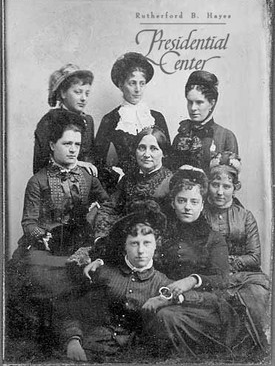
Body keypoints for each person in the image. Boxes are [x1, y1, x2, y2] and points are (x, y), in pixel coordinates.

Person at [84, 166, 241, 360]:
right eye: (181, 200)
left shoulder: (213, 238)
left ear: (202, 205)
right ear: (173, 203)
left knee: (165, 317)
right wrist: (100, 260)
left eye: (194, 202)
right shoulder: (162, 229)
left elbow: (222, 280)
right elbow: (129, 244)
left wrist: (191, 280)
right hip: (158, 292)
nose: (187, 207)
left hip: (202, 304)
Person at [7, 110, 109, 344]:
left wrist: (95, 215)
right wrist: (42, 236)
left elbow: (107, 204)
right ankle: (59, 334)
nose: (73, 149)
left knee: (93, 273)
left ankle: (76, 334)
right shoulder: (38, 181)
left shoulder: (87, 176)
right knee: (36, 271)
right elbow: (28, 222)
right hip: (47, 247)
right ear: (52, 145)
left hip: (79, 244)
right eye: (67, 143)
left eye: (77, 144)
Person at [57, 200, 174, 361]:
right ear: (124, 245)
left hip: (134, 355)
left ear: (156, 245)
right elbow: (70, 308)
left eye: (147, 243)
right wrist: (73, 340)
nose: (141, 251)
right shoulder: (103, 273)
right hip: (91, 347)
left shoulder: (162, 282)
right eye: (134, 243)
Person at [203, 151, 271, 350]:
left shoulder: (245, 216)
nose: (220, 192)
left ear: (235, 188)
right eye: (215, 185)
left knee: (256, 296)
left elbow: (254, 257)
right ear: (208, 185)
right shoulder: (200, 215)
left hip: (245, 276)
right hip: (212, 275)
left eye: (226, 186)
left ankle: (258, 350)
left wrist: (228, 261)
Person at [94, 52, 170, 192]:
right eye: (132, 83)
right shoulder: (111, 119)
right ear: (121, 85)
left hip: (158, 185)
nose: (138, 89)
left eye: (142, 83)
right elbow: (97, 160)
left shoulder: (157, 117)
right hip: (126, 187)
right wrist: (115, 177)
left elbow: (168, 157)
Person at [94, 126, 173, 240]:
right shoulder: (128, 178)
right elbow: (110, 209)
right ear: (135, 151)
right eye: (142, 148)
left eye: (153, 149)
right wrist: (101, 237)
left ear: (163, 152)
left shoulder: (171, 181)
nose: (146, 154)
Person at [33, 63, 97, 176]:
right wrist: (76, 164)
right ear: (63, 93)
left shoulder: (88, 121)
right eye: (78, 92)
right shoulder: (49, 120)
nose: (84, 98)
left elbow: (91, 158)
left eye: (87, 93)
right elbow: (40, 164)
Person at [171, 70, 238, 173]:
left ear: (211, 103)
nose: (193, 108)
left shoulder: (226, 137)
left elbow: (228, 181)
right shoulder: (181, 135)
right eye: (190, 102)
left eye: (199, 102)